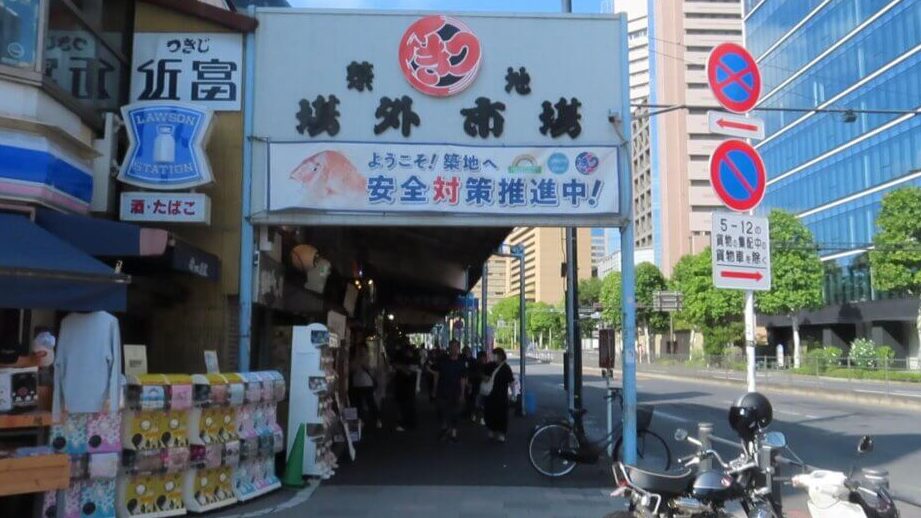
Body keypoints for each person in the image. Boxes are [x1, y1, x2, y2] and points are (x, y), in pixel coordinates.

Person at [429, 340, 467, 442]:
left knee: (455, 412)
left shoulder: (461, 362)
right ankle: (444, 427)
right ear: (449, 348)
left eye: (455, 347)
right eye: (451, 347)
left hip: (456, 390)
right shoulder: (442, 360)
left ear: (458, 348)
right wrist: (434, 389)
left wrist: (462, 393)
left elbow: (463, 378)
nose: (453, 349)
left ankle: (454, 432)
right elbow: (437, 375)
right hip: (443, 389)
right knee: (441, 410)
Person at [483, 348, 514, 443]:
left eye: (495, 355)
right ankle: (493, 431)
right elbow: (482, 375)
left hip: (500, 395)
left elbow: (511, 382)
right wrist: (485, 378)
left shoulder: (505, 368)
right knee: (490, 413)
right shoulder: (490, 366)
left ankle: (500, 433)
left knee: (500, 414)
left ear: (500, 356)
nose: (493, 356)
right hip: (491, 394)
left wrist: (512, 394)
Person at [349, 345, 381, 429]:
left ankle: (376, 419)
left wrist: (361, 361)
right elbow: (352, 368)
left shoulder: (368, 358)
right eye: (360, 350)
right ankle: (361, 421)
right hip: (358, 383)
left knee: (370, 402)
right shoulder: (355, 359)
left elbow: (369, 368)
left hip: (366, 383)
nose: (362, 352)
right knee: (359, 403)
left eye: (363, 350)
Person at [391, 343, 418, 431]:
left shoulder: (413, 360)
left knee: (407, 405)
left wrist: (400, 367)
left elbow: (410, 372)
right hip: (403, 385)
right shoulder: (406, 359)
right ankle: (405, 422)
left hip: (407, 386)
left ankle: (406, 423)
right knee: (403, 405)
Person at [465, 351, 487, 423]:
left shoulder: (477, 365)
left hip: (478, 386)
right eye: (483, 357)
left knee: (477, 402)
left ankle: (475, 416)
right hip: (477, 386)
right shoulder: (478, 365)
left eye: (484, 358)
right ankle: (476, 416)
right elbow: (471, 375)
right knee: (477, 402)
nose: (484, 359)